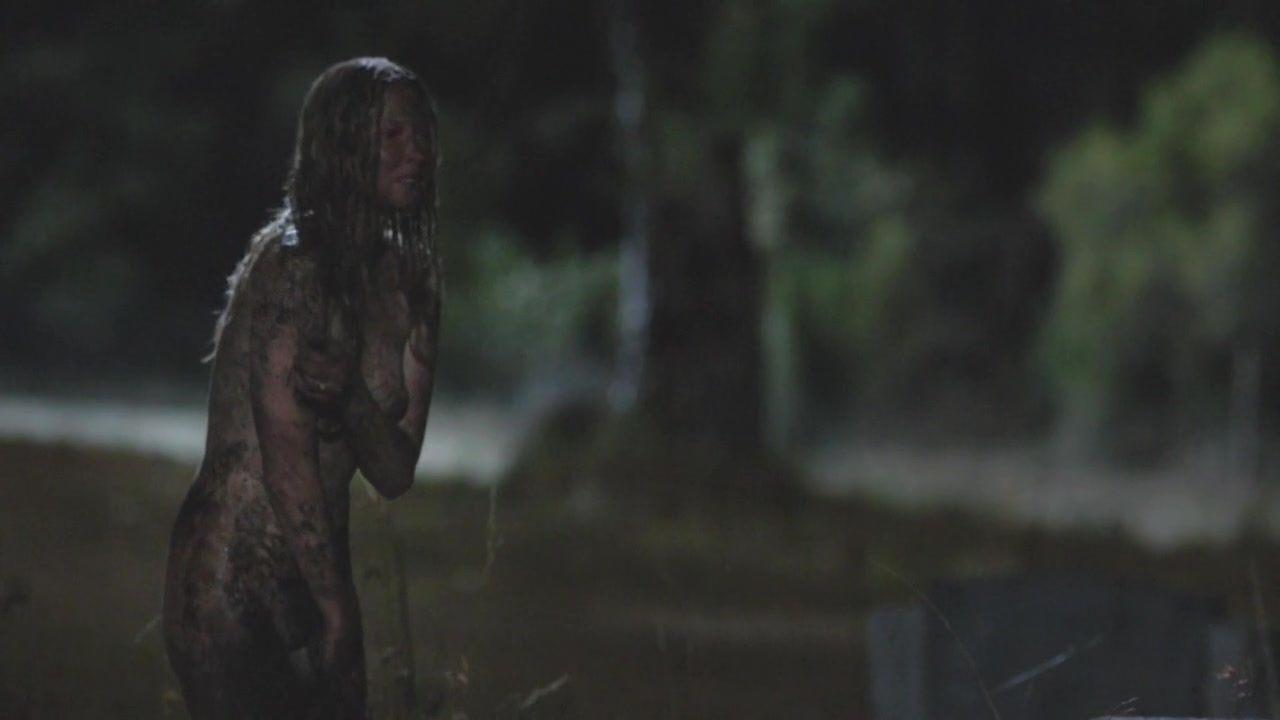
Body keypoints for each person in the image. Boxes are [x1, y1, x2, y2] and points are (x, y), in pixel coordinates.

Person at [162, 57, 442, 719]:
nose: (417, 153)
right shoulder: (293, 263)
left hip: (318, 580)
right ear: (344, 144)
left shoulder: (415, 285)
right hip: (233, 569)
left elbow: (396, 470)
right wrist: (335, 608)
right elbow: (284, 449)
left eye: (422, 135)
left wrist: (351, 399)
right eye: (393, 135)